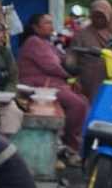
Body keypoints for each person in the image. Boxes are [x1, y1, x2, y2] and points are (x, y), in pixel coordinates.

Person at [17, 13, 89, 157]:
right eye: (46, 23)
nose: (51, 26)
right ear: (35, 27)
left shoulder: (46, 43)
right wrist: (70, 77)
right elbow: (52, 66)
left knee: (84, 101)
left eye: (51, 22)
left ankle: (69, 142)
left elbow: (62, 58)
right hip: (39, 87)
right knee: (78, 105)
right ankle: (70, 143)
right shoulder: (34, 42)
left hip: (51, 85)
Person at [69, 0, 112, 100]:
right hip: (87, 81)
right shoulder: (81, 35)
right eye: (95, 16)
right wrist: (75, 78)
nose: (98, 19)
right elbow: (71, 60)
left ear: (109, 16)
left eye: (102, 16)